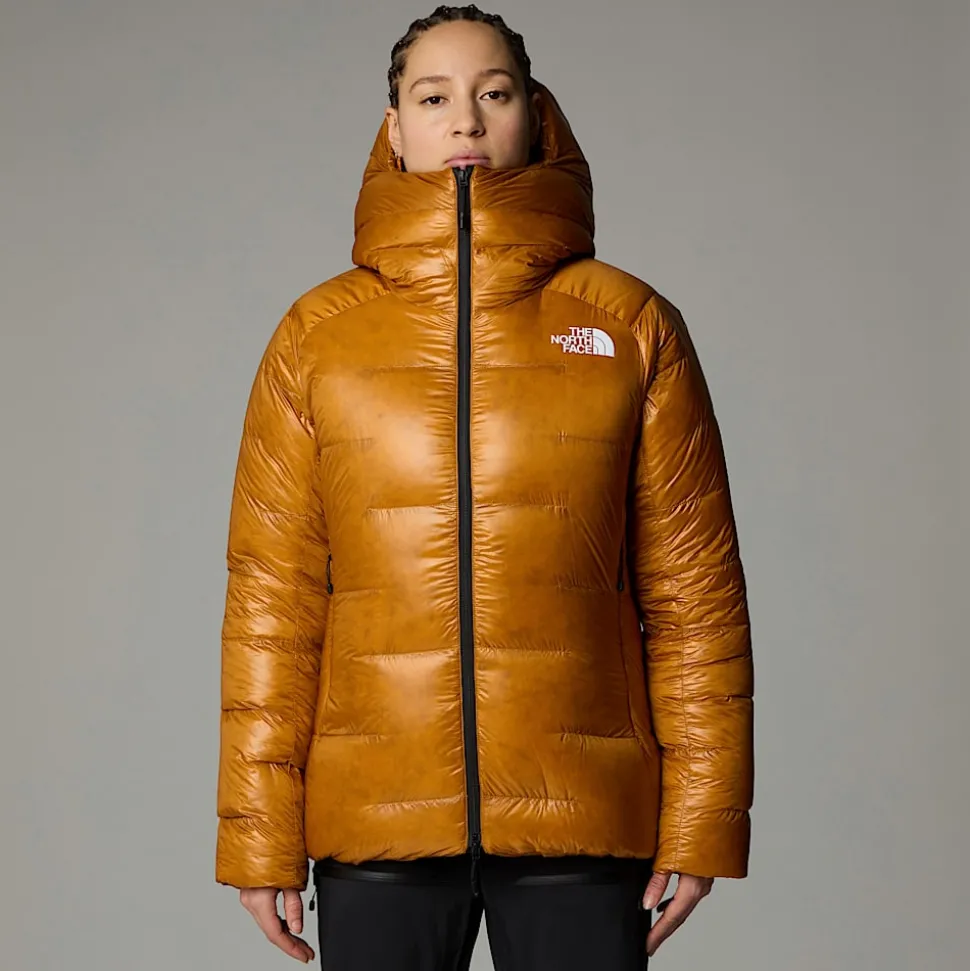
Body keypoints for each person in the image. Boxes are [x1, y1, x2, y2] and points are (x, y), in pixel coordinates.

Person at [214, 5, 754, 968]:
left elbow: (696, 597)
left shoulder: (630, 325)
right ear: (395, 129)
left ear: (533, 116)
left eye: (493, 93)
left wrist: (703, 819)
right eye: (434, 98)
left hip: (584, 822)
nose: (465, 119)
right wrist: (258, 835)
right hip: (376, 823)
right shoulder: (315, 338)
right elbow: (273, 605)